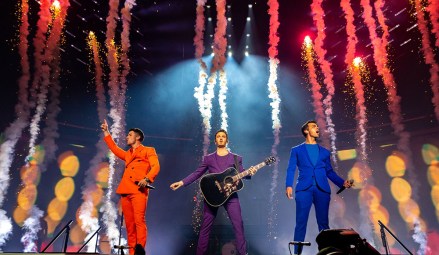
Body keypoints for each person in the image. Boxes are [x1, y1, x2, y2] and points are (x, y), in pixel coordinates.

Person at [170, 129, 255, 255]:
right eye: (218, 137)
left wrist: (249, 173)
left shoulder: (236, 158)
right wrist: (182, 182)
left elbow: (242, 173)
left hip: (231, 196)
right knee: (205, 227)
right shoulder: (208, 159)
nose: (221, 138)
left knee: (238, 225)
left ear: (227, 140)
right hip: (212, 196)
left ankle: (243, 253)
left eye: (223, 136)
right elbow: (197, 173)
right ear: (215, 141)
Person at [285, 120, 353, 254]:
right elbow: (291, 169)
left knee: (324, 224)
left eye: (317, 126)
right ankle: (297, 253)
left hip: (322, 190)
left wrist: (342, 183)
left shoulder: (325, 152)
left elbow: (329, 172)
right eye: (314, 126)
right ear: (306, 131)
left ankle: (326, 252)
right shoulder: (296, 150)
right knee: (300, 223)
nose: (317, 128)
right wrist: (288, 185)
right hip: (304, 189)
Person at [101, 119, 160, 255]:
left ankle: (140, 250)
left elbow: (156, 166)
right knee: (129, 224)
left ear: (137, 137)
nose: (127, 137)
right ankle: (132, 252)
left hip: (139, 190)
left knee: (139, 221)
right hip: (126, 190)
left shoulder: (148, 150)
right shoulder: (128, 154)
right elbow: (114, 149)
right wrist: (106, 132)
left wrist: (147, 178)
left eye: (129, 135)